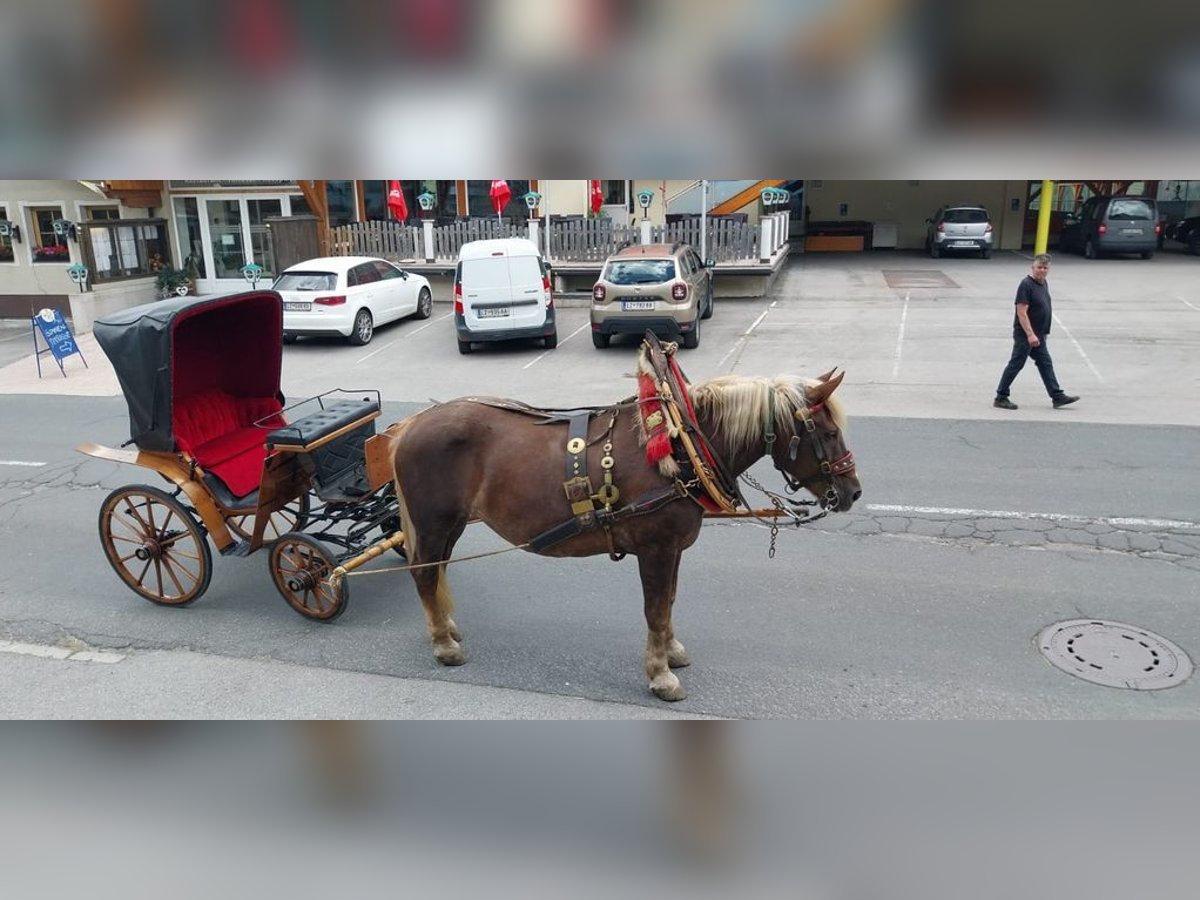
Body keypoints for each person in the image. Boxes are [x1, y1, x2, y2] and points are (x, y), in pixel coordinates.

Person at [993, 253, 1079, 410]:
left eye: (1045, 268)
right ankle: (1001, 396)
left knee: (1045, 363)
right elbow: (1021, 311)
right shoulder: (1026, 284)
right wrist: (1030, 334)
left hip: (1039, 334)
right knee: (1016, 364)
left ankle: (1057, 396)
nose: (1042, 270)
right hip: (1026, 334)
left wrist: (1041, 333)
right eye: (1039, 267)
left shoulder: (1044, 283)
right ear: (1032, 268)